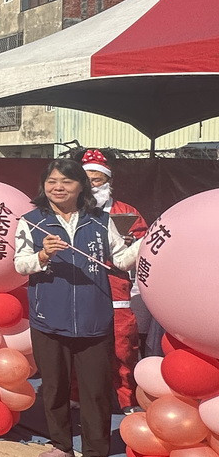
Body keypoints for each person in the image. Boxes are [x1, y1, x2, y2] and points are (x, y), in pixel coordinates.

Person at [14, 159, 139, 457]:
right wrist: (42, 256)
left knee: (95, 391)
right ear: (43, 186)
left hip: (94, 320)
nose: (58, 187)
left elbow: (123, 260)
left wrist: (148, 240)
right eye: (52, 181)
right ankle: (61, 446)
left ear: (82, 186)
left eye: (67, 181)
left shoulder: (101, 221)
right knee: (53, 387)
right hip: (47, 320)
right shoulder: (32, 222)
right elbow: (20, 265)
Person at [80, 149, 148, 412]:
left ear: (108, 181)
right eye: (87, 180)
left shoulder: (126, 211)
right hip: (82, 286)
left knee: (123, 346)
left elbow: (143, 242)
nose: (92, 186)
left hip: (116, 287)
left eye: (97, 180)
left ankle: (126, 399)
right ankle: (78, 394)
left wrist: (131, 243)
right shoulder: (72, 210)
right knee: (82, 346)